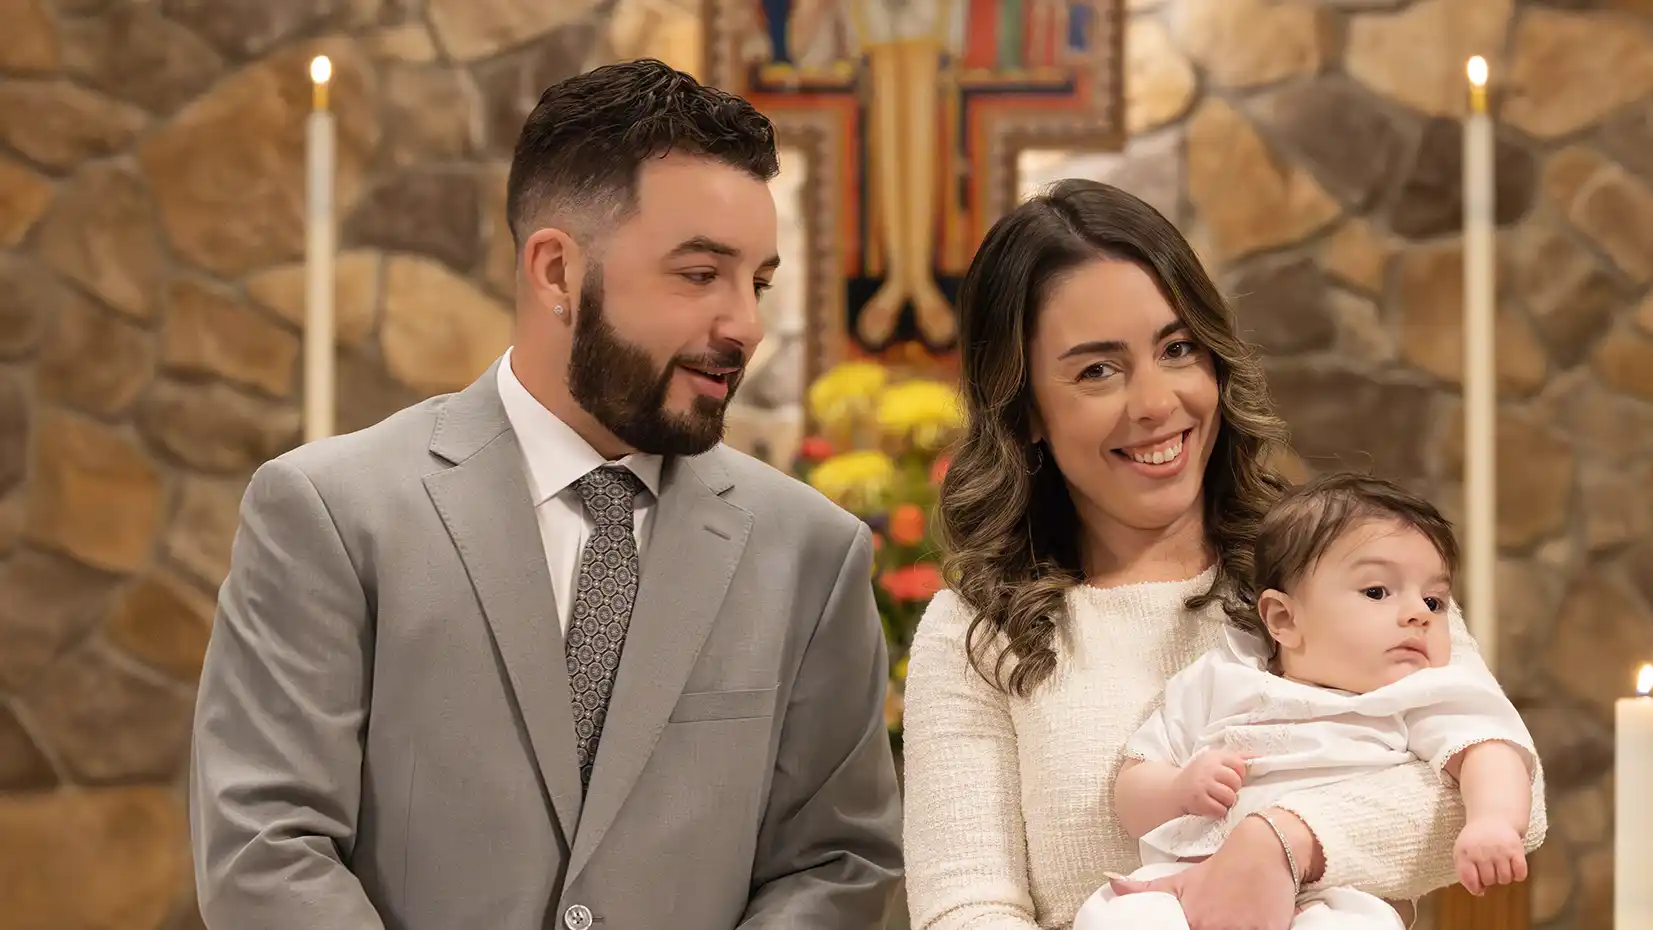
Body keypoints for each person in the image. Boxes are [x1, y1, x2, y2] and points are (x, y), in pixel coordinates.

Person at [190, 59, 903, 930]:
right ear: (557, 272)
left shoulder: (812, 555)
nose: (744, 325)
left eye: (755, 281)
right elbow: (266, 843)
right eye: (698, 274)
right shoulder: (332, 513)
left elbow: (836, 862)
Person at [899, 178, 1547, 930]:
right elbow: (965, 909)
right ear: (1025, 410)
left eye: (1177, 349)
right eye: (1096, 370)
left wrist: (1282, 839)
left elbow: (1500, 790)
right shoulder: (977, 631)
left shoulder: (1347, 565)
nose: (1154, 403)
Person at [1074, 473, 1538, 930]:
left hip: (1332, 896)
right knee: (1115, 912)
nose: (1419, 613)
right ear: (1283, 619)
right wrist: (1178, 789)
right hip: (1186, 884)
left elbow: (1490, 752)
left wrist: (1492, 821)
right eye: (1377, 591)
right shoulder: (1219, 679)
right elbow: (1132, 792)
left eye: (1435, 601)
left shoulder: (1419, 692)